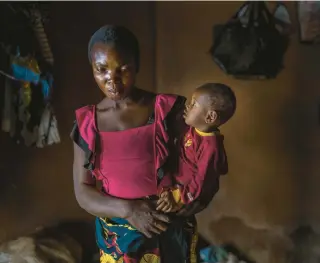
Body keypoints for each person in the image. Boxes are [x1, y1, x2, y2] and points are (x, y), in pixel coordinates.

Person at [71, 25, 214, 263]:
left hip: (170, 233)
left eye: (123, 69)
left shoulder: (168, 110)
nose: (112, 80)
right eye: (102, 70)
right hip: (120, 242)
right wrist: (128, 210)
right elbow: (83, 192)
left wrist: (201, 196)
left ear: (137, 65)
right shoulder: (87, 124)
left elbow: (205, 155)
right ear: (92, 70)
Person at [156, 83, 236, 213]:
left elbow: (202, 180)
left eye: (193, 105)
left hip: (183, 194)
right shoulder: (195, 129)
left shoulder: (211, 147)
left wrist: (177, 196)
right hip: (173, 182)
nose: (188, 106)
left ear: (210, 117)